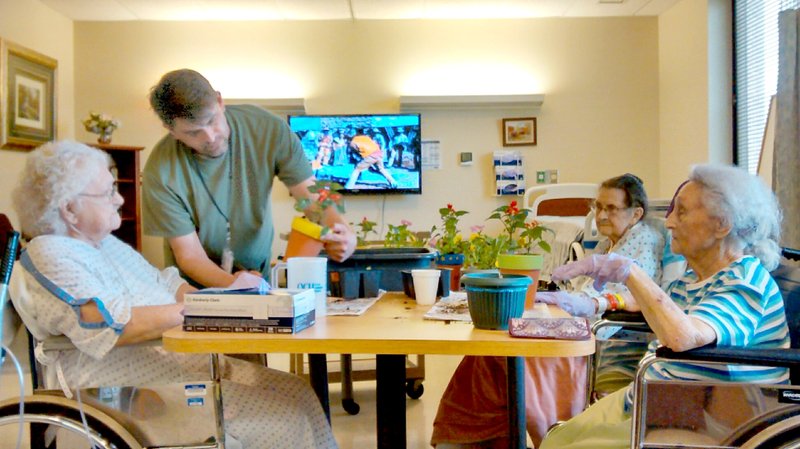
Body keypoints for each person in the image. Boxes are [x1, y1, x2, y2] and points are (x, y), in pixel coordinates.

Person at [10, 141, 338, 448]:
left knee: (298, 390)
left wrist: (224, 294)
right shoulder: (51, 254)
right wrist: (209, 310)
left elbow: (166, 283)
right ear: (69, 209)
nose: (120, 199)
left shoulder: (104, 245)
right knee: (285, 417)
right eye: (108, 192)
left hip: (176, 365)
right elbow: (108, 322)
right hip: (120, 386)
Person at [539, 164, 788, 449]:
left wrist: (629, 271)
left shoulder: (745, 281)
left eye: (681, 212)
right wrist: (595, 302)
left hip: (706, 419)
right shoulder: (694, 279)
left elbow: (684, 336)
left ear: (722, 224)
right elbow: (655, 306)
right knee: (556, 439)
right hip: (653, 401)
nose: (669, 222)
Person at [431, 174, 668, 448]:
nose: (601, 214)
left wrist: (584, 304)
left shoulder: (644, 240)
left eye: (611, 208)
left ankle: (470, 437)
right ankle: (480, 437)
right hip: (578, 325)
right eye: (598, 206)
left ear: (636, 213)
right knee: (494, 346)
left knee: (498, 352)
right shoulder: (609, 244)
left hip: (597, 339)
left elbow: (634, 295)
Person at [142, 69, 356, 288]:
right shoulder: (160, 171)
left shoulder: (268, 129)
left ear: (220, 101)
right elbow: (190, 256)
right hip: (196, 293)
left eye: (212, 120)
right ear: (171, 130)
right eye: (193, 132)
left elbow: (311, 194)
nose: (210, 136)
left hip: (258, 277)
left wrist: (341, 227)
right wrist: (238, 287)